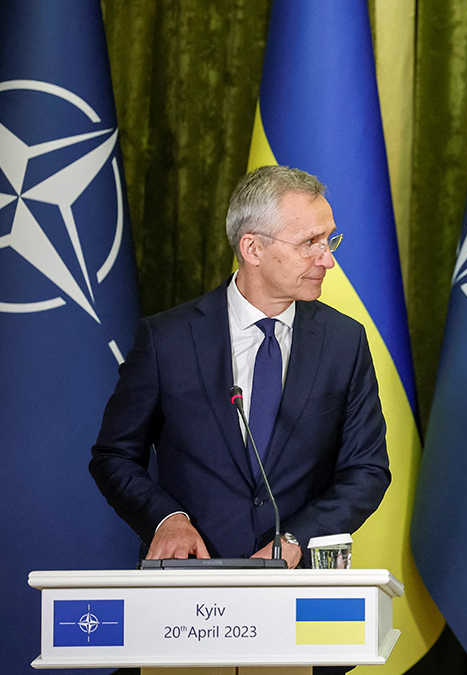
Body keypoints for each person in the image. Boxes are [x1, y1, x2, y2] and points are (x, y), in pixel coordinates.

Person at [90, 164, 390, 570]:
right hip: (189, 581)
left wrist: (296, 538)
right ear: (253, 249)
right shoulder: (167, 340)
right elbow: (114, 455)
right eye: (310, 243)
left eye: (329, 240)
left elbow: (366, 469)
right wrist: (166, 519)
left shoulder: (344, 342)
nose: (328, 260)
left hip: (298, 587)